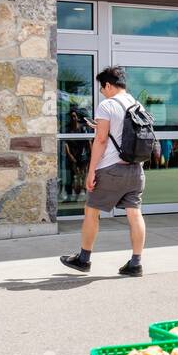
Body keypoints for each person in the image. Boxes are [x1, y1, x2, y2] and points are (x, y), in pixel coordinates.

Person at [60, 66, 150, 277]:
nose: (102, 92)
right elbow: (118, 132)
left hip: (111, 169)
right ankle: (136, 263)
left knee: (91, 211)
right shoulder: (137, 104)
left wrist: (91, 171)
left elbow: (100, 140)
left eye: (102, 87)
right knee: (135, 214)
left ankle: (83, 259)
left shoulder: (107, 104)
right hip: (136, 169)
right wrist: (99, 127)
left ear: (109, 85)